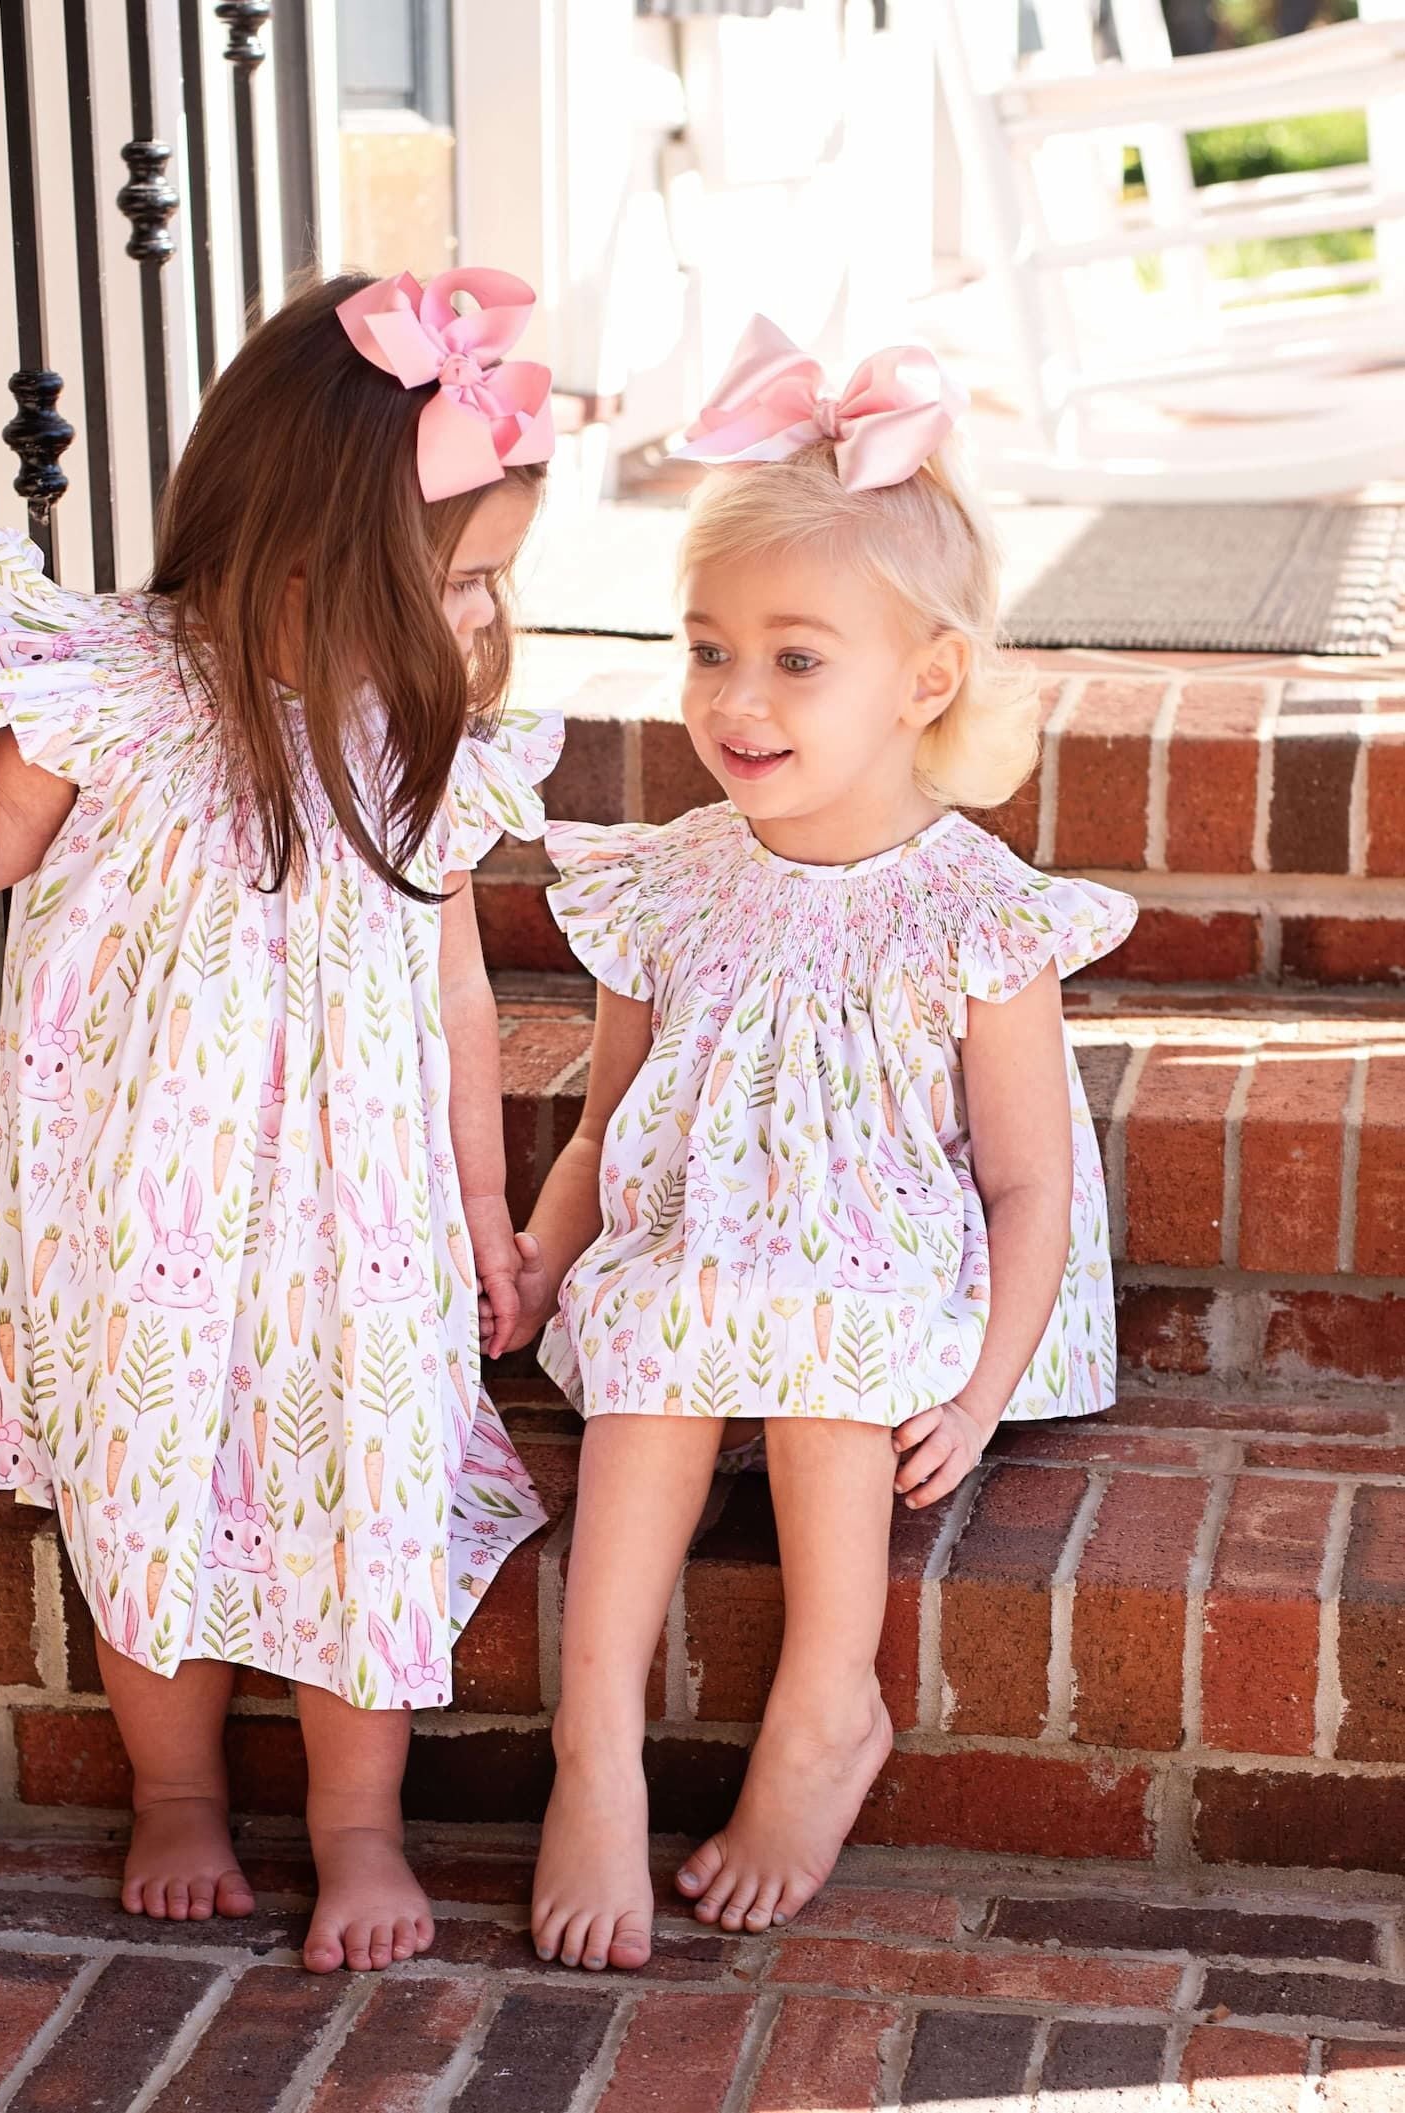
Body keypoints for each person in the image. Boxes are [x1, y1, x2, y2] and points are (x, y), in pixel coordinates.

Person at [0, 268, 561, 1974]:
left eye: (491, 581)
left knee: (358, 1496)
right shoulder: (115, 680)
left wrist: (485, 1213)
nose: (482, 620)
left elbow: (455, 1001)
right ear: (310, 549)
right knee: (150, 1485)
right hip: (144, 1210)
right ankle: (176, 1787)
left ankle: (358, 1821)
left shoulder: (415, 732)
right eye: (462, 576)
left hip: (360, 1221)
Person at [506, 322, 1137, 1973]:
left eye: (797, 659)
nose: (735, 696)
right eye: (707, 648)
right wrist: (544, 1250)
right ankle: (594, 1754)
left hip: (897, 1266)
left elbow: (1023, 1179)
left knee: (816, 1364)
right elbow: (608, 1117)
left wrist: (987, 1380)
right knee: (648, 1358)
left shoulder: (969, 911)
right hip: (697, 1240)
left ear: (923, 677)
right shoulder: (676, 875)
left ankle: (818, 1713)